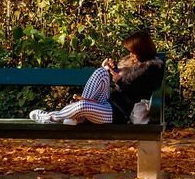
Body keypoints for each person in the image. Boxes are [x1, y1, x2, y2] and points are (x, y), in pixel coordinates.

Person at [29, 30, 163, 125]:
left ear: (141, 50)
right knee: (101, 71)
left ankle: (49, 117)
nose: (131, 55)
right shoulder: (133, 62)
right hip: (109, 103)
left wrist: (118, 79)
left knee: (82, 105)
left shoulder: (151, 68)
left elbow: (134, 87)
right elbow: (123, 75)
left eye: (133, 52)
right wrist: (110, 67)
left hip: (118, 113)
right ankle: (78, 117)